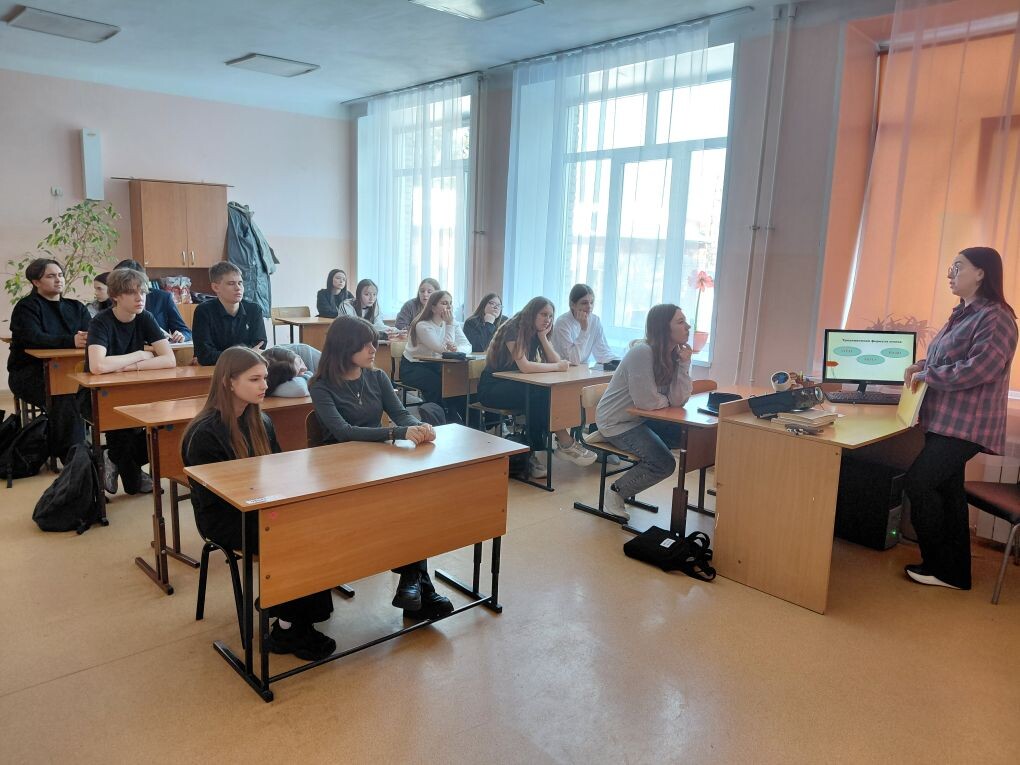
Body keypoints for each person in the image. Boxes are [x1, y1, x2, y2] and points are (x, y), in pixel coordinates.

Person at [182, 347, 336, 660]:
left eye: (265, 378)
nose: (264, 385)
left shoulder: (261, 421)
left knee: (316, 525)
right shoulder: (205, 434)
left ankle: (286, 608)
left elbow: (277, 470)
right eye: (254, 379)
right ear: (228, 382)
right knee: (293, 538)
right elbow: (218, 499)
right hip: (226, 516)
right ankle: (286, 626)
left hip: (260, 505)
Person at [309, 316, 453, 621]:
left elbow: (400, 414)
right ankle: (419, 586)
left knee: (415, 503)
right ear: (344, 347)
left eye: (374, 342)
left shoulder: (376, 377)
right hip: (339, 471)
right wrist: (397, 433)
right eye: (365, 344)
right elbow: (344, 432)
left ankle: (414, 583)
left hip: (375, 462)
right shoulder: (320, 385)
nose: (374, 349)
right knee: (402, 506)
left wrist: (420, 427)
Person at [901, 246, 1018, 591]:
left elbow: (980, 368)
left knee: (919, 483)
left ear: (981, 273)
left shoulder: (996, 317)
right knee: (948, 491)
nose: (949, 274)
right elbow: (945, 357)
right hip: (945, 421)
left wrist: (928, 375)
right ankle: (955, 573)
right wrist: (921, 365)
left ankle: (940, 566)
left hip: (966, 425)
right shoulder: (963, 313)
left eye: (957, 267)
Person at [477, 297, 597, 478]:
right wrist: (556, 367)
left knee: (543, 394)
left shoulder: (536, 332)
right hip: (493, 388)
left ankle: (534, 452)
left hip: (517, 386)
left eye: (550, 316)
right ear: (532, 313)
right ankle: (563, 442)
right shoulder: (514, 329)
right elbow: (525, 366)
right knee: (538, 394)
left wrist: (542, 337)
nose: (548, 319)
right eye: (543, 314)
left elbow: (556, 360)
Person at [594, 304, 694, 521]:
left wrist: (684, 363)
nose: (688, 326)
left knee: (690, 438)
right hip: (618, 422)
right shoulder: (642, 352)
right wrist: (665, 401)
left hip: (641, 419)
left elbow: (678, 400)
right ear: (663, 327)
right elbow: (646, 402)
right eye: (680, 322)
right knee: (664, 463)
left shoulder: (673, 355)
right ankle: (616, 492)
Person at [87, 267, 177, 494]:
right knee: (124, 435)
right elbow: (98, 366)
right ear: (116, 296)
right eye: (132, 293)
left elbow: (169, 360)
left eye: (143, 292)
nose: (140, 298)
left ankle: (113, 457)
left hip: (135, 390)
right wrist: (140, 355)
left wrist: (129, 366)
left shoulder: (145, 317)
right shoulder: (101, 321)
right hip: (101, 394)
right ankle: (124, 465)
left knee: (166, 428)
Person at [7, 258, 92, 461]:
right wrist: (71, 340)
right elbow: (33, 338)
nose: (58, 280)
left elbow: (91, 334)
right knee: (64, 395)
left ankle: (100, 453)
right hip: (31, 374)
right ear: (36, 282)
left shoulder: (76, 307)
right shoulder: (26, 307)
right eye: (51, 276)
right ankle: (74, 457)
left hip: (72, 372)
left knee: (95, 392)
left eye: (60, 275)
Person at [400, 290, 472, 421]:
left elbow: (467, 346)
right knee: (439, 385)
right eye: (444, 303)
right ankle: (443, 420)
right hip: (413, 367)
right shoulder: (423, 325)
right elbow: (443, 350)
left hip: (437, 366)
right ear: (433, 308)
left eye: (450, 303)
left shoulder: (452, 323)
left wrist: (457, 349)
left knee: (460, 383)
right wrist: (449, 325)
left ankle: (467, 423)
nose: (449, 307)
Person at [192, 261, 267, 365]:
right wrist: (246, 354)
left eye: (240, 283)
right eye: (231, 283)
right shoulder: (203, 311)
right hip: (215, 370)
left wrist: (223, 356)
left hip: (247, 367)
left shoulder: (254, 310)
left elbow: (260, 347)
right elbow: (205, 356)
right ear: (215, 287)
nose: (238, 288)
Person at [113, 260, 191, 342]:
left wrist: (181, 336)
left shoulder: (163, 298)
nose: (139, 298)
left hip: (157, 347)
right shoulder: (113, 304)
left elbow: (185, 331)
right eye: (130, 291)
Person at [552, 284, 617, 366]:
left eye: (591, 302)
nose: (589, 306)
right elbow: (573, 360)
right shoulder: (562, 323)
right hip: (564, 370)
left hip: (582, 369)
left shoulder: (595, 320)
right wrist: (584, 329)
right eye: (584, 303)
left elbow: (603, 353)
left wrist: (621, 362)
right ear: (572, 304)